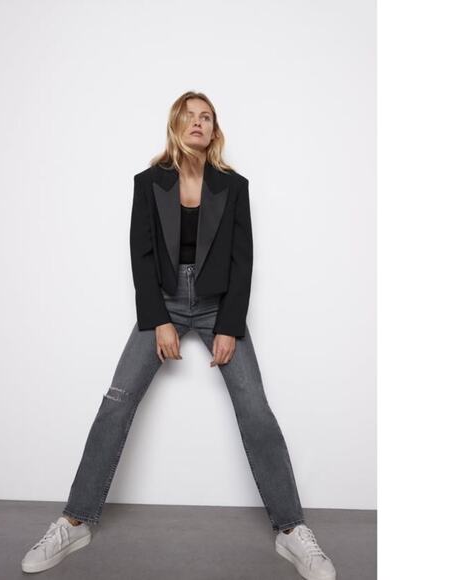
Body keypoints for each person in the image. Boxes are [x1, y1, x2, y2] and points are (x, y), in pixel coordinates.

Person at [21, 91, 337, 580]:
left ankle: (292, 529)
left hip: (216, 306)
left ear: (214, 129)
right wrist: (160, 319)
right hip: (163, 303)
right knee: (116, 401)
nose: (197, 122)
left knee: (255, 407)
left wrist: (228, 325)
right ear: (175, 124)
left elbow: (242, 261)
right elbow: (141, 256)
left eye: (206, 117)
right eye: (189, 116)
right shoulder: (149, 183)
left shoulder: (233, 186)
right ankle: (75, 521)